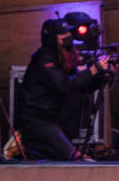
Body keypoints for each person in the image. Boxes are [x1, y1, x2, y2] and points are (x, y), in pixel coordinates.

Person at [14, 17, 112, 161]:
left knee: (80, 96)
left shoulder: (64, 58)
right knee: (72, 158)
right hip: (36, 120)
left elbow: (81, 86)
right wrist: (92, 70)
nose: (69, 38)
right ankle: (38, 146)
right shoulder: (44, 58)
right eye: (63, 36)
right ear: (52, 39)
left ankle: (57, 146)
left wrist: (103, 76)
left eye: (69, 35)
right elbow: (64, 85)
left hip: (53, 118)